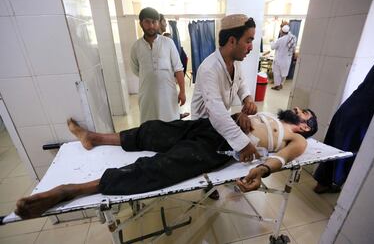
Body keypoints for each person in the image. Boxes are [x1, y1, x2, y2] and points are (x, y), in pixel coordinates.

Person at [15, 107, 317, 219]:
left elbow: (280, 160)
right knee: (155, 130)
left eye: (304, 113)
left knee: (161, 168)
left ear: (305, 127)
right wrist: (240, 114)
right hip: (214, 126)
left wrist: (260, 170)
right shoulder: (271, 117)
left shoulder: (298, 140)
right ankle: (93, 137)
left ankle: (74, 189)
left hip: (221, 148)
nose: (297, 110)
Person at [191, 14, 258, 199]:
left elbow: (241, 84)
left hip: (220, 120)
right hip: (202, 124)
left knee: (227, 150)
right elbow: (216, 112)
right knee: (207, 159)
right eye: (248, 40)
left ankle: (226, 176)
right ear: (232, 40)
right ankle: (208, 185)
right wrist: (244, 144)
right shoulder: (209, 69)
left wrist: (247, 100)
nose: (251, 47)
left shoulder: (235, 63)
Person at [313, 61, 374, 193]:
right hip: (363, 114)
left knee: (334, 144)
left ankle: (323, 182)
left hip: (350, 107)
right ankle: (335, 182)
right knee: (348, 151)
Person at [130, 7, 186, 123]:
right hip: (147, 95)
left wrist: (182, 91)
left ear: (158, 23)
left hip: (168, 94)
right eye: (147, 22)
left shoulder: (168, 43)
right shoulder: (136, 47)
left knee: (171, 124)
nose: (151, 26)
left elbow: (178, 69)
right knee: (150, 126)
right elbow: (136, 70)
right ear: (141, 23)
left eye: (154, 22)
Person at [270, 24, 296, 90]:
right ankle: (281, 84)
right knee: (284, 73)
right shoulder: (292, 38)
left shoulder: (280, 39)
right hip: (287, 60)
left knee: (277, 73)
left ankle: (277, 86)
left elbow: (273, 47)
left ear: (282, 31)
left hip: (279, 60)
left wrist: (271, 41)